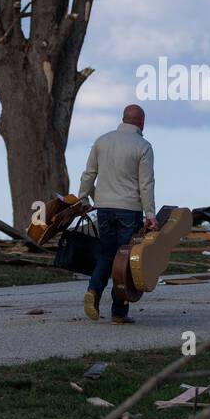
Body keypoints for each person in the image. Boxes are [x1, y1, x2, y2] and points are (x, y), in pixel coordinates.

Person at [77, 104, 157, 324]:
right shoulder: (143, 146)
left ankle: (93, 290)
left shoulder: (102, 141)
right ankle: (118, 311)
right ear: (141, 122)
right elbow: (146, 184)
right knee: (126, 259)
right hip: (129, 210)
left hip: (103, 208)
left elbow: (88, 174)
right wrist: (150, 214)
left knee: (107, 254)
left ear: (123, 119)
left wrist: (83, 199)